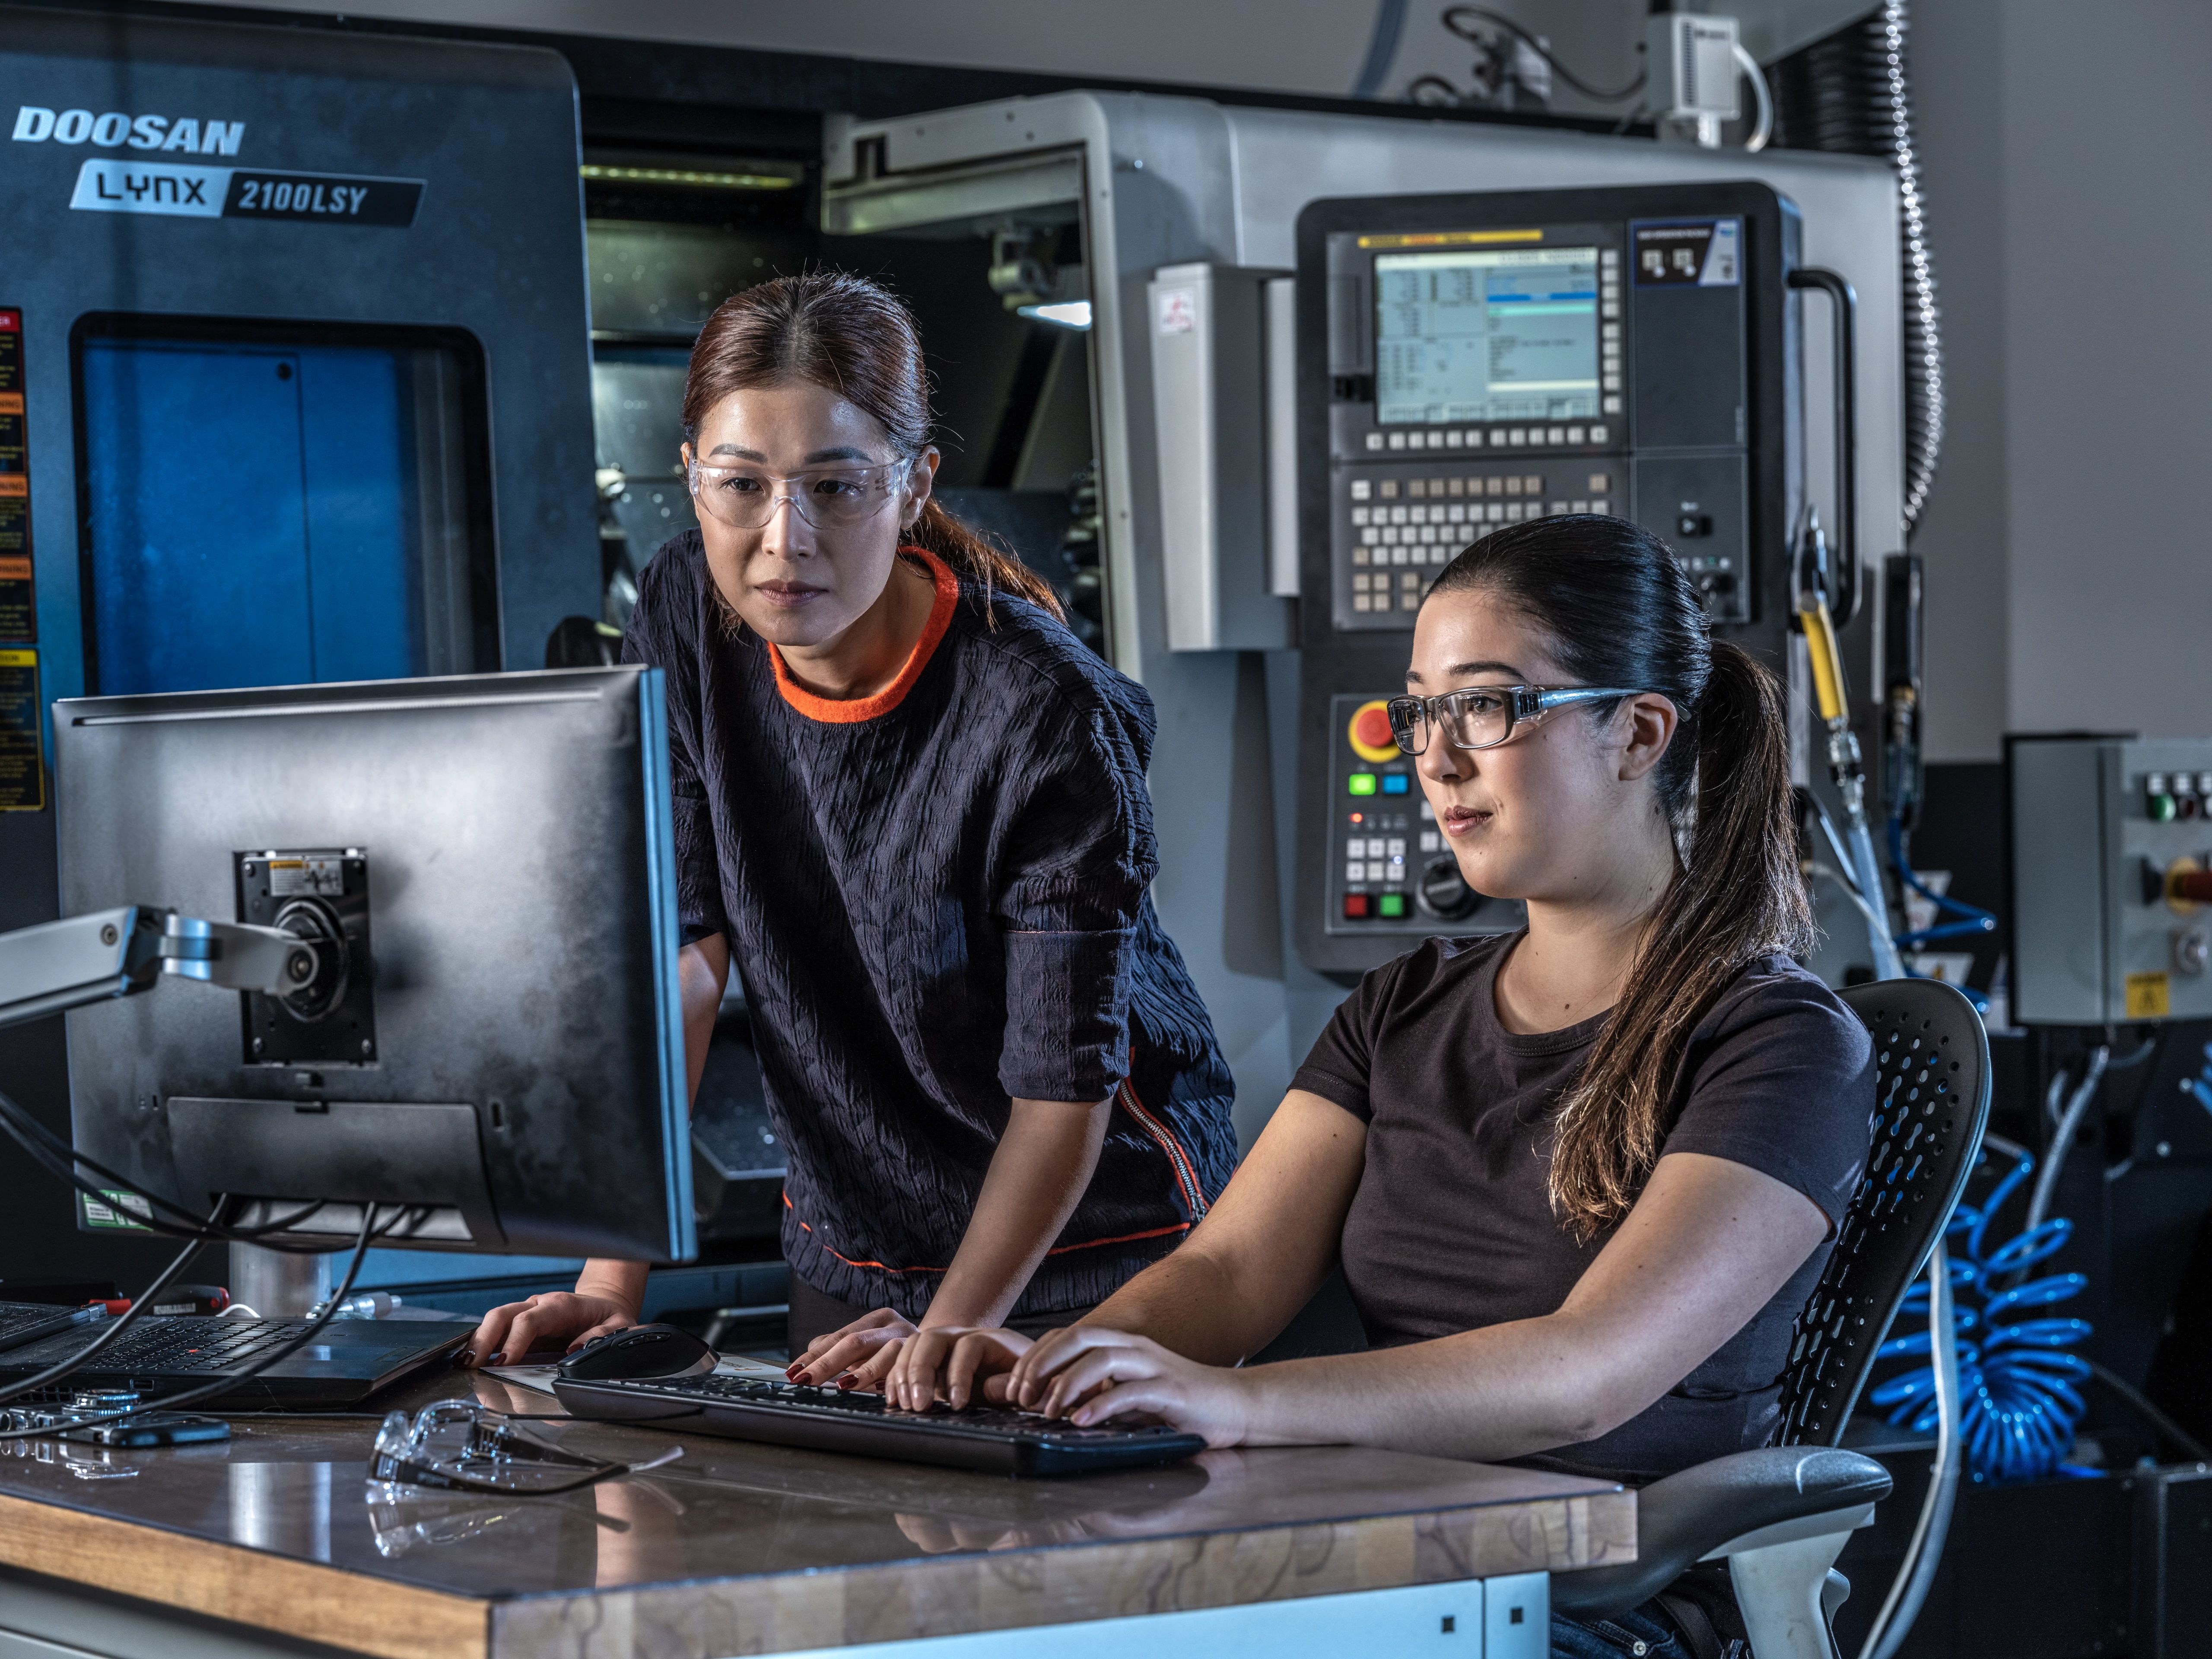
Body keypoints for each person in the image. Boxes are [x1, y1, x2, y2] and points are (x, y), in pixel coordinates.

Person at [919, 515, 1875, 1659]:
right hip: (1373, 1562)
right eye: (1421, 712)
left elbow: (1586, 1373)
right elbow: (1227, 1276)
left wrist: (1239, 1405)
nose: (1437, 758)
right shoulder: (1402, 1007)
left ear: (1638, 733)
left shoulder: (1780, 1044)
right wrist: (1057, 1375)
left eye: (1489, 706)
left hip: (1590, 1608)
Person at [464, 272, 1236, 1397]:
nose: (785, 541)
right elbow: (684, 956)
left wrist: (948, 1333)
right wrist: (610, 1284)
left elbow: (1062, 1088)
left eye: (837, 486)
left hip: (1091, 1254)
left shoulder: (1044, 712)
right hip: (854, 1243)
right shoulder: (685, 609)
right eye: (741, 486)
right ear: (690, 476)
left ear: (914, 485)